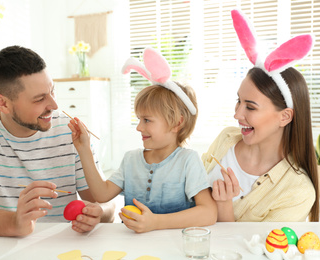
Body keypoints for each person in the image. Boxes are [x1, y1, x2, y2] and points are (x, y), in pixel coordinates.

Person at [0, 46, 115, 236]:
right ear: (3, 104)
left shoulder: (71, 133)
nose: (54, 105)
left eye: (52, 91)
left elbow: (106, 204)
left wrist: (99, 214)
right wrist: (13, 223)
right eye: (39, 99)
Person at [68, 47, 217, 233]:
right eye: (139, 119)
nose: (139, 127)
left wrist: (155, 222)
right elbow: (101, 194)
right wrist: (84, 149)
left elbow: (209, 213)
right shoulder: (131, 160)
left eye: (147, 120)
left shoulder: (188, 161)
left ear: (176, 123)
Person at [202, 10, 319, 222]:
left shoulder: (298, 192)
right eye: (239, 101)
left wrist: (223, 205)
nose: (237, 114)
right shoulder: (226, 139)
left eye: (251, 107)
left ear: (285, 117)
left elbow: (256, 252)